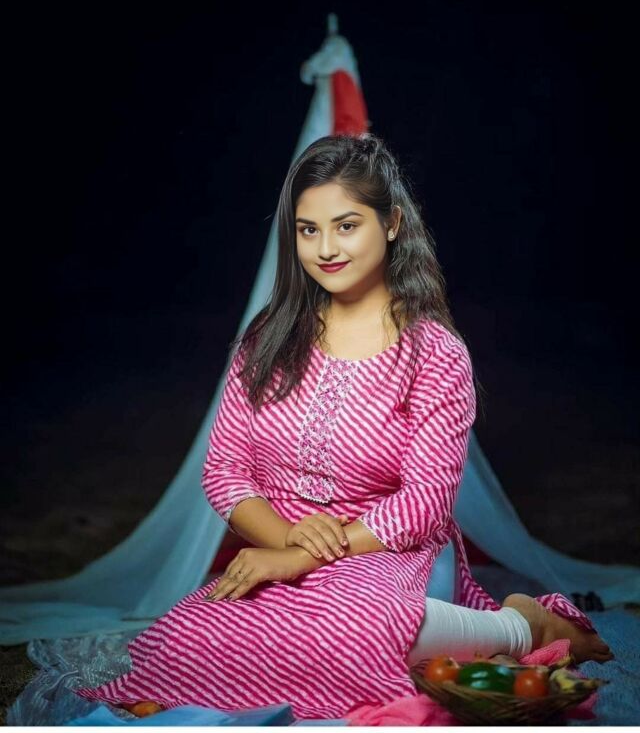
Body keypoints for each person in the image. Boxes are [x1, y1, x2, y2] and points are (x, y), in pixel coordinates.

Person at [73, 133, 613, 721]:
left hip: (388, 551)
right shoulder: (268, 340)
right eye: (308, 230)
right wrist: (285, 542)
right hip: (280, 540)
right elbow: (224, 469)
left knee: (354, 631)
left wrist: (301, 560)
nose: (326, 248)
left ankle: (519, 625)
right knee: (182, 640)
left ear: (392, 223)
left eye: (346, 226)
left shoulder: (434, 354)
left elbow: (425, 505)